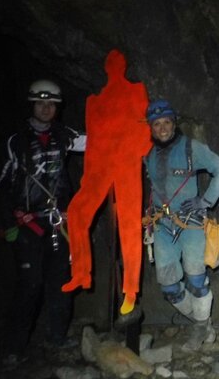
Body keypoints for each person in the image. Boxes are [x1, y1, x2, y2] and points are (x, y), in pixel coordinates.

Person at [0, 79, 86, 362]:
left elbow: (99, 141)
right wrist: (12, 215)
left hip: (58, 222)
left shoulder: (65, 135)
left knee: (60, 281)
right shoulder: (16, 141)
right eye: (41, 103)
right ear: (32, 105)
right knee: (30, 283)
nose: (46, 109)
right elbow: (1, 183)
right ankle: (13, 347)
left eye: (51, 105)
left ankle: (57, 338)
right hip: (28, 224)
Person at [61, 49, 152, 317]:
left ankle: (131, 290)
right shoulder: (94, 101)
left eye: (118, 62)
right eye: (110, 63)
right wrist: (89, 177)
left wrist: (134, 152)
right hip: (100, 167)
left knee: (129, 226)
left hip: (125, 164)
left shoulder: (136, 91)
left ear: (123, 65)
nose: (114, 65)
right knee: (77, 212)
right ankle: (81, 273)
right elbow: (92, 143)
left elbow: (144, 128)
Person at [142, 99, 219, 351]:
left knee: (196, 280)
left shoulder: (191, 148)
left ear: (174, 123)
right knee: (169, 286)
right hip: (161, 225)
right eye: (157, 124)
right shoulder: (147, 153)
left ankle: (199, 329)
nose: (162, 128)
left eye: (166, 123)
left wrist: (206, 201)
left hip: (190, 223)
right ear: (150, 127)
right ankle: (203, 323)